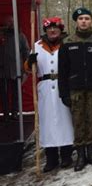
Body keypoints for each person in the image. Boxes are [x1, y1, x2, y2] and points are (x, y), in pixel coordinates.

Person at [58, 7, 92, 171]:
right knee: (78, 122)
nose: (84, 21)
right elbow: (63, 70)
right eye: (81, 19)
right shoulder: (67, 43)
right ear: (76, 22)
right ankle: (80, 155)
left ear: (91, 21)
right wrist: (64, 93)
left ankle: (91, 153)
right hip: (75, 91)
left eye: (87, 18)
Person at [25, 17, 74, 172]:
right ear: (45, 30)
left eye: (56, 28)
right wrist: (30, 62)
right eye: (49, 28)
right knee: (47, 123)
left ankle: (66, 155)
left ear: (60, 30)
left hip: (63, 85)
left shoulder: (67, 44)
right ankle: (51, 158)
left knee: (65, 120)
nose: (53, 31)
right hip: (45, 86)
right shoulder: (37, 46)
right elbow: (27, 68)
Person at [0, 15, 29, 120]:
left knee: (16, 93)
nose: (10, 24)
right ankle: (6, 113)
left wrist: (27, 67)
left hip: (16, 69)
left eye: (12, 22)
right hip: (2, 69)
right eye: (8, 22)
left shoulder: (20, 36)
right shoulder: (1, 35)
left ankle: (15, 112)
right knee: (3, 93)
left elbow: (26, 51)